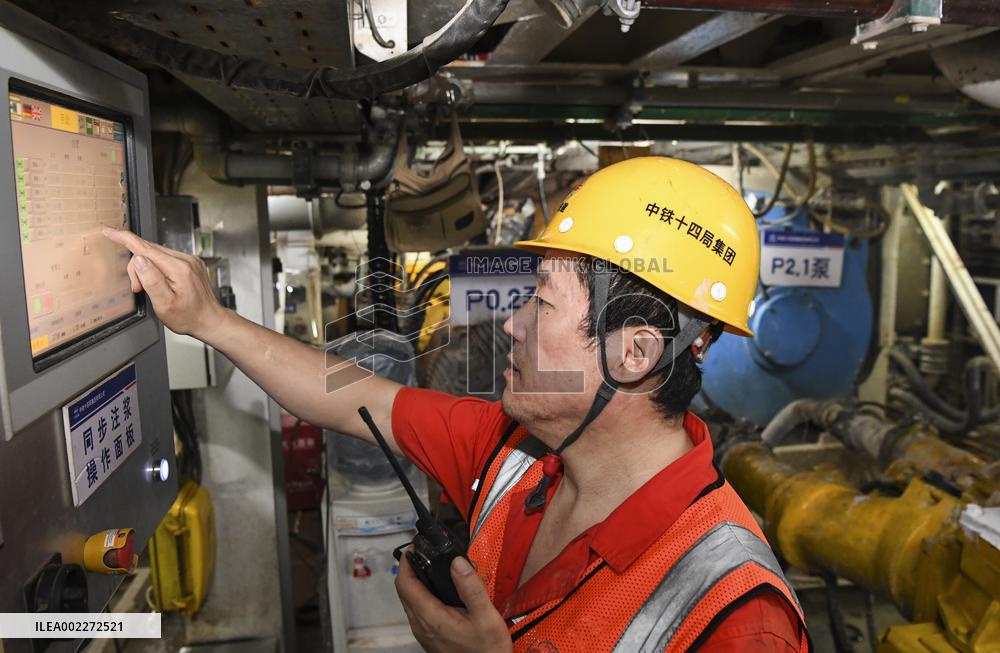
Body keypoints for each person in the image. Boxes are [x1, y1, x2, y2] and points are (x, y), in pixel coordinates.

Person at [105, 156, 809, 652]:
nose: (512, 322)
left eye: (540, 301)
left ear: (635, 353)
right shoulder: (516, 453)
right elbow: (356, 399)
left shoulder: (735, 613)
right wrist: (211, 321)